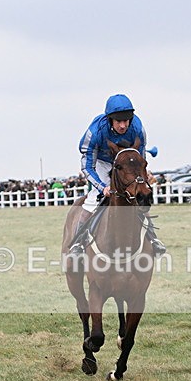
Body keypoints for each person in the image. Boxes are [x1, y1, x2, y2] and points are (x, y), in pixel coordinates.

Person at [67, 94, 166, 258]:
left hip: (126, 163)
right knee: (93, 199)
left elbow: (140, 159)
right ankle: (78, 243)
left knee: (136, 197)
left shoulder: (137, 128)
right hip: (101, 162)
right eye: (119, 121)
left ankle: (153, 240)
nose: (123, 125)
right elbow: (86, 166)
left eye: (126, 121)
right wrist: (101, 187)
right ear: (109, 119)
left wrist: (140, 181)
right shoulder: (94, 133)